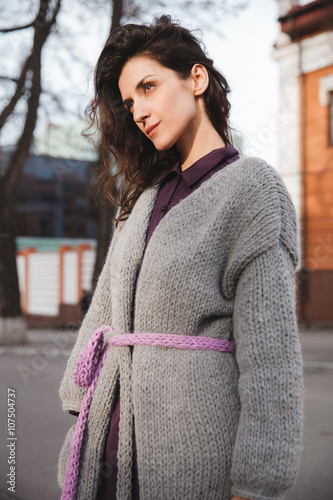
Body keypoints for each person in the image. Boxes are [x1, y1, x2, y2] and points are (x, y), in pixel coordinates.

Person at [57, 15, 304, 500]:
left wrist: (255, 482)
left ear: (196, 79)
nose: (139, 112)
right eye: (129, 102)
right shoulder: (141, 199)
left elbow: (270, 357)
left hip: (193, 457)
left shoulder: (252, 189)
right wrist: (79, 397)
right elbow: (104, 311)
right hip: (107, 447)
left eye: (148, 87)